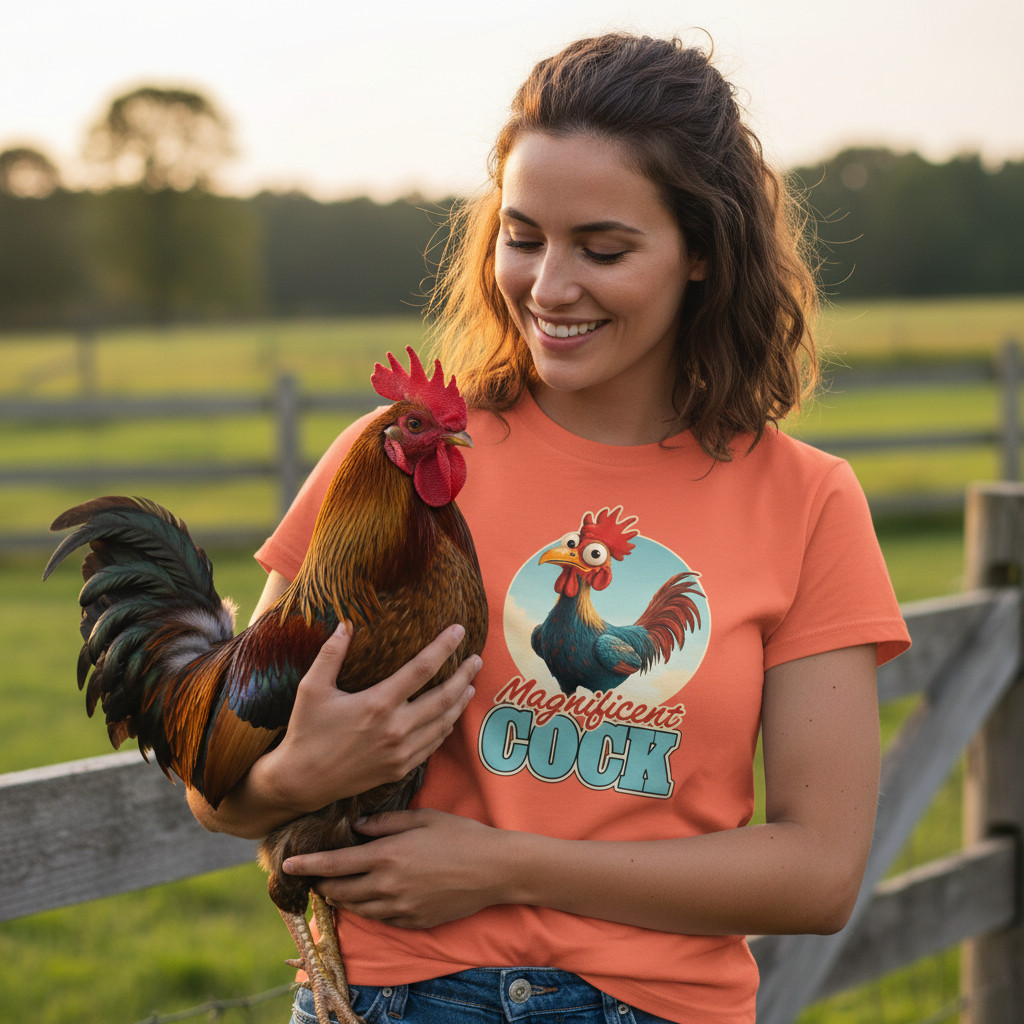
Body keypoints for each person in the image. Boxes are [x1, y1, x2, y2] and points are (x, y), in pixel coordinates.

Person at [189, 33, 910, 1024]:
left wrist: (505, 866)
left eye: (602, 249)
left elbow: (818, 873)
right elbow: (218, 794)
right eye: (523, 236)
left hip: (653, 1005)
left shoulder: (806, 499)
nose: (548, 285)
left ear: (702, 253)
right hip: (398, 997)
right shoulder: (397, 459)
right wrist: (297, 775)